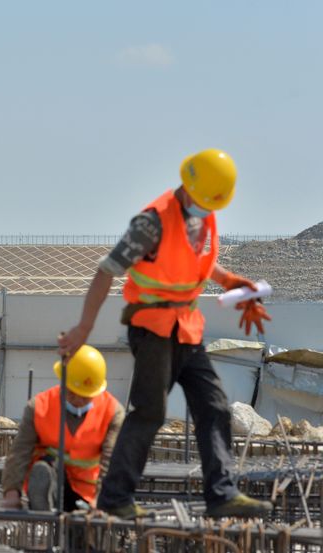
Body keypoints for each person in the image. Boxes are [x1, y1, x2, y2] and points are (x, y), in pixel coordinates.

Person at [59, 149, 272, 519]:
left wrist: (230, 281)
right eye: (205, 200)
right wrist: (83, 327)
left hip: (187, 329)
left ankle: (221, 494)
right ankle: (115, 499)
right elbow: (107, 270)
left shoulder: (201, 219)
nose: (209, 208)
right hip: (153, 329)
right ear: (190, 187)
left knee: (215, 408)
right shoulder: (150, 223)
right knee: (149, 413)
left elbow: (191, 262)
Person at [1, 345, 124, 511]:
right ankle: (42, 501)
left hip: (89, 491)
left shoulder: (112, 412)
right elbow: (20, 451)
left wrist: (102, 499)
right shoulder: (38, 407)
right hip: (53, 482)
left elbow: (112, 460)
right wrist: (11, 492)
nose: (78, 400)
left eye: (85, 397)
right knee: (44, 468)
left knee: (84, 532)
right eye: (72, 393)